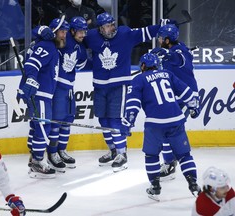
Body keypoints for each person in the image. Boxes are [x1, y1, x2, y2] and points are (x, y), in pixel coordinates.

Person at [83, 12, 177, 173]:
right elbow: (75, 40)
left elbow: (146, 32)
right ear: (100, 29)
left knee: (114, 120)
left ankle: (122, 153)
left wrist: (163, 26)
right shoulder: (91, 36)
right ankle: (113, 150)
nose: (112, 28)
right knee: (103, 120)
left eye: (113, 24)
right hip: (99, 86)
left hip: (119, 86)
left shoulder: (124, 34)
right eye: (108, 26)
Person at [123, 53, 201, 200]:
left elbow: (133, 103)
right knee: (184, 155)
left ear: (143, 66)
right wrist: (193, 106)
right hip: (176, 120)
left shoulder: (138, 79)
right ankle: (193, 184)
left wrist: (128, 122)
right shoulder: (167, 74)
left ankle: (155, 187)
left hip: (155, 123)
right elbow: (186, 92)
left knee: (152, 155)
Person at [18, 18, 69, 179]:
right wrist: (32, 80)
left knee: (36, 127)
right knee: (43, 127)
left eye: (66, 32)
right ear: (53, 32)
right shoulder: (47, 46)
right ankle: (38, 162)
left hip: (41, 94)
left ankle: (35, 157)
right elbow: (31, 64)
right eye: (62, 32)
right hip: (39, 94)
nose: (64, 35)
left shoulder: (47, 45)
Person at [151, 24, 200, 181]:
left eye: (160, 38)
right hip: (174, 97)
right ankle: (170, 162)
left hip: (187, 97)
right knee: (166, 129)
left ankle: (173, 163)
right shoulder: (174, 49)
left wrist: (167, 54)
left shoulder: (180, 51)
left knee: (172, 130)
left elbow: (179, 59)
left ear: (167, 40)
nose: (158, 40)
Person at [47, 16, 89, 172]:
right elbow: (52, 35)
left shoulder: (81, 49)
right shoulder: (64, 41)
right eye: (80, 31)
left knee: (67, 121)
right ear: (72, 31)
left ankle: (61, 150)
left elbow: (82, 65)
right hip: (58, 87)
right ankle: (52, 153)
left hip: (70, 88)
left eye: (85, 31)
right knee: (56, 121)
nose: (83, 34)